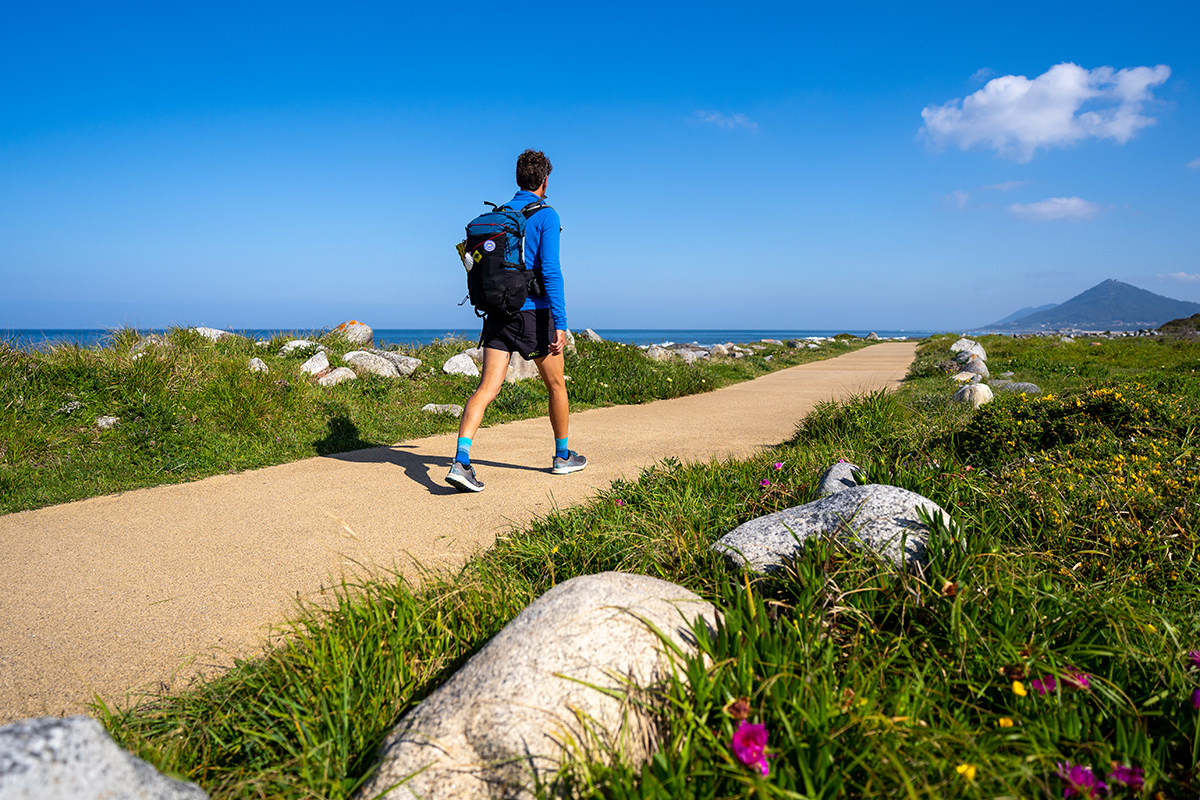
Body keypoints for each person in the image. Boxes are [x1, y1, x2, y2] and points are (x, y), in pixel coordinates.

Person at [445, 149, 587, 492]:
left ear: (518, 178)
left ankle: (461, 462)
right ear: (545, 180)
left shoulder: (501, 215)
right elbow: (550, 270)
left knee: (487, 388)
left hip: (497, 312)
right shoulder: (546, 215)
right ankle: (562, 456)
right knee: (556, 385)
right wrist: (562, 323)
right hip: (534, 314)